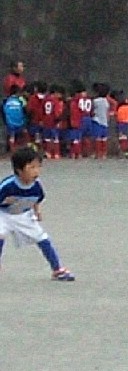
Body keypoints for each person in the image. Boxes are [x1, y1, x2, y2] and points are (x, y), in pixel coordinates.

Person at [0, 146, 75, 281]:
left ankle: (57, 270)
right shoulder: (8, 186)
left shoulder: (36, 186)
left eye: (38, 167)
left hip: (23, 215)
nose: (36, 171)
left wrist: (37, 211)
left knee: (42, 238)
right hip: (3, 214)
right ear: (19, 170)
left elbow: (36, 199)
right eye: (32, 167)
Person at [66, 79, 91, 159]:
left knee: (76, 137)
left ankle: (75, 153)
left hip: (79, 118)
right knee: (85, 137)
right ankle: (86, 153)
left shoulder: (75, 100)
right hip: (88, 117)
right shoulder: (88, 98)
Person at [89, 82, 111, 159]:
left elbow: (91, 110)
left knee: (97, 138)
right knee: (104, 138)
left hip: (97, 121)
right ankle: (104, 154)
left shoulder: (95, 101)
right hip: (105, 122)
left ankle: (97, 154)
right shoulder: (106, 101)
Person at [3, 84, 26, 153]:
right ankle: (17, 149)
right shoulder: (20, 101)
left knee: (11, 136)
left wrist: (5, 121)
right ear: (18, 92)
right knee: (19, 136)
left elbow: (3, 112)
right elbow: (24, 110)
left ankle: (12, 150)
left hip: (10, 122)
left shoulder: (6, 101)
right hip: (20, 122)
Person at [112, 89, 128, 158]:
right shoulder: (127, 104)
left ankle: (124, 152)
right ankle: (126, 152)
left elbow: (116, 114)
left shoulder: (119, 105)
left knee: (122, 137)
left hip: (121, 122)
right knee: (124, 137)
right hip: (126, 122)